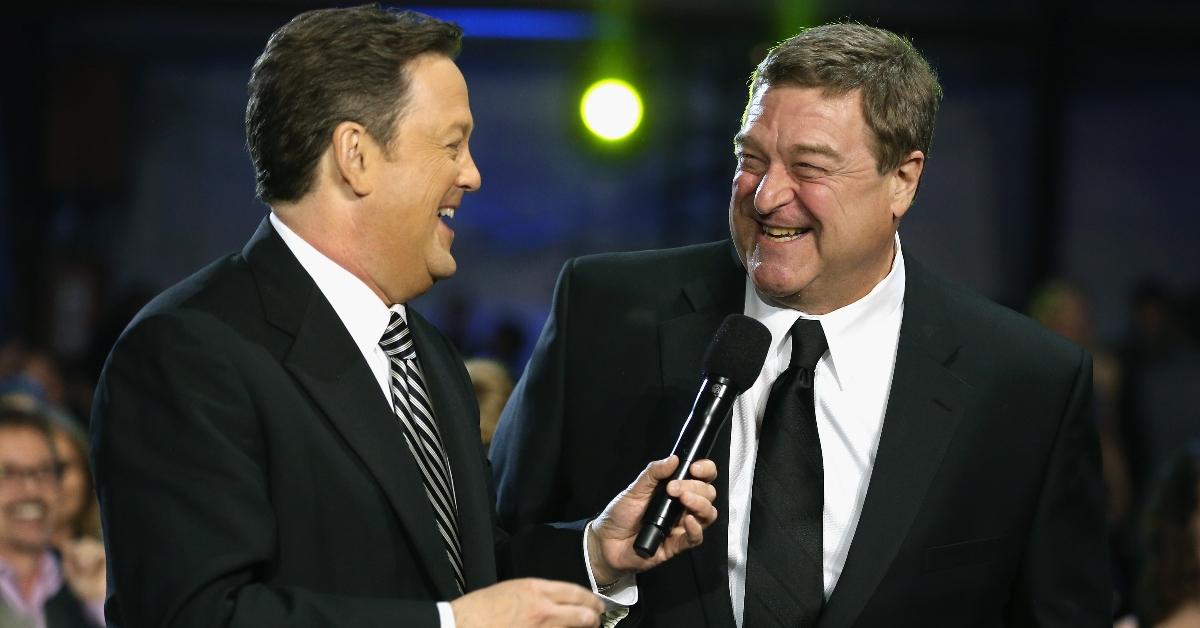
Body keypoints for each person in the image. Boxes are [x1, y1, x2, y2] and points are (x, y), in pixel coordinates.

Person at [90, 6, 717, 628]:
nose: (471, 174)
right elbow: (196, 613)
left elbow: (461, 574)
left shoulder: (430, 356)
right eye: (452, 144)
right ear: (355, 155)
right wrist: (448, 627)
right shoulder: (188, 349)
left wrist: (594, 554)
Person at [491, 21, 1110, 627]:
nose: (764, 197)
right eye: (751, 158)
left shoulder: (1027, 382)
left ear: (903, 180)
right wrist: (597, 561)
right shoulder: (606, 311)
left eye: (809, 167)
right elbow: (490, 554)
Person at [0, 404, 103, 627]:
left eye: (44, 470)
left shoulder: (84, 586)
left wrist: (100, 603)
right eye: (8, 473)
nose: (31, 489)